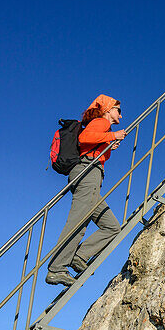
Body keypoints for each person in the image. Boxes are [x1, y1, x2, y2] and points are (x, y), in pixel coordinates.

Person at [45, 94, 128, 286]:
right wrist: (112, 135)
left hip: (91, 175)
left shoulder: (102, 127)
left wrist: (108, 146)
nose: (121, 116)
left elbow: (89, 145)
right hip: (87, 173)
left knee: (112, 227)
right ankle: (56, 269)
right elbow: (84, 138)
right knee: (78, 221)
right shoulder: (101, 122)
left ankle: (79, 257)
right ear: (108, 109)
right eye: (118, 110)